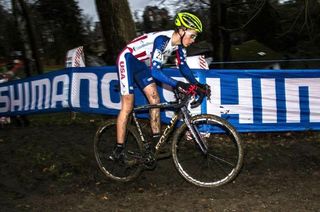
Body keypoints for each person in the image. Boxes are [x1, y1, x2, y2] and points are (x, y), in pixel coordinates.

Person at [113, 12, 210, 160]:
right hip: (127, 59)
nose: (193, 40)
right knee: (128, 105)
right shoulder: (162, 40)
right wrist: (178, 84)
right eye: (192, 35)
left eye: (195, 37)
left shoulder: (179, 47)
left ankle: (156, 140)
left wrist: (197, 85)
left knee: (155, 99)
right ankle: (118, 149)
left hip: (140, 64)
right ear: (182, 30)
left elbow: (183, 68)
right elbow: (156, 72)